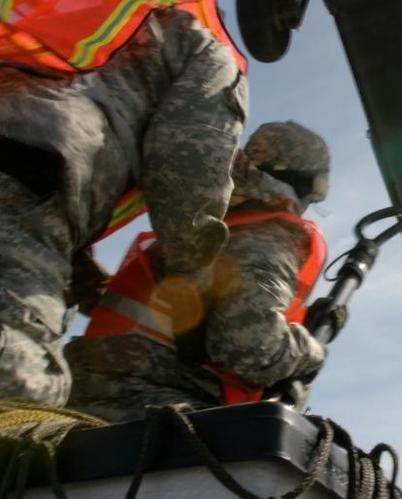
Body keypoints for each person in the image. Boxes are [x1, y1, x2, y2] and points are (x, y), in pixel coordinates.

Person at [0, 0, 249, 410]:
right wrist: (188, 278)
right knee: (4, 385)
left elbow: (37, 106)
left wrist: (81, 277)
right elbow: (186, 165)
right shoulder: (195, 36)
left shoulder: (78, 20)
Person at [64, 121, 342, 423]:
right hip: (147, 409)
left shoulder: (200, 220)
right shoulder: (269, 236)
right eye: (312, 198)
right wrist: (313, 349)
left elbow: (157, 320)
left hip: (83, 393)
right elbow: (248, 350)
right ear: (300, 184)